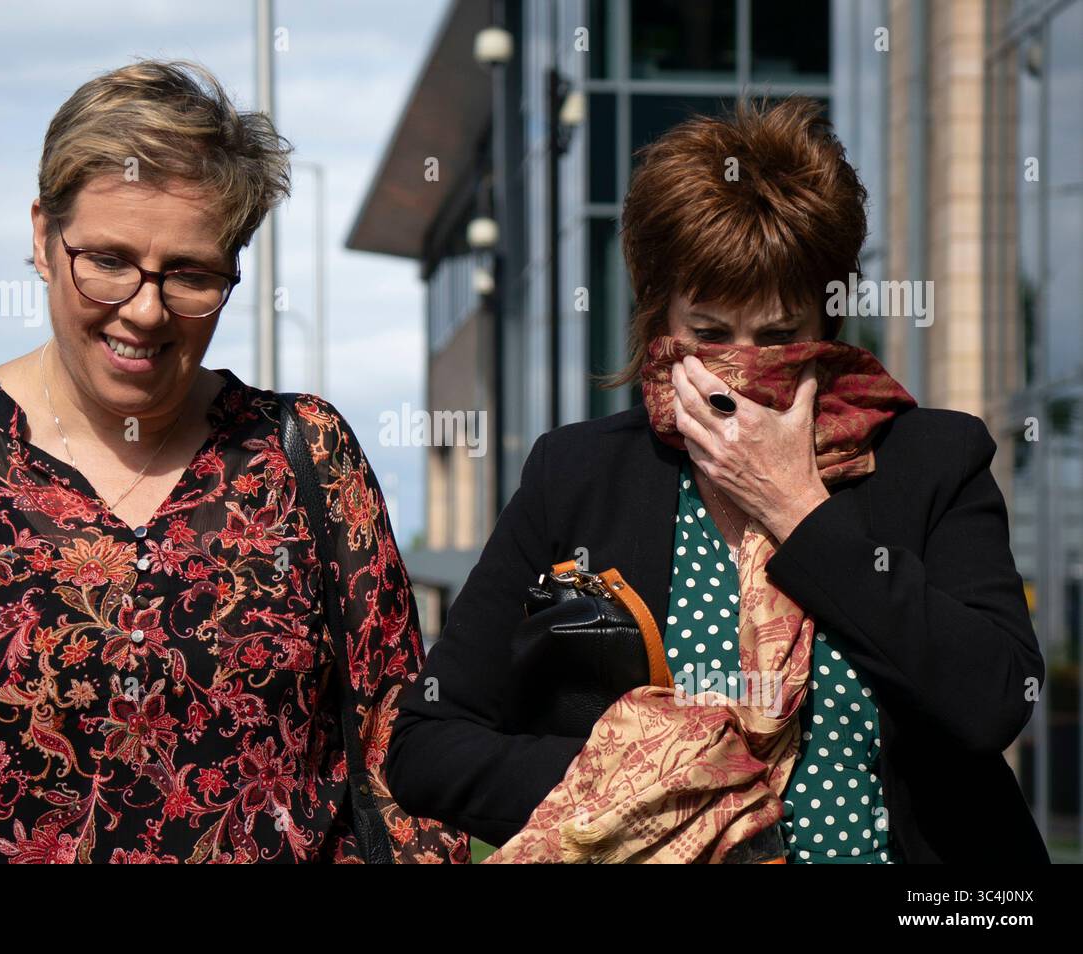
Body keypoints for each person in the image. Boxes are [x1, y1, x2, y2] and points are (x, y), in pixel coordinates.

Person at [0, 60, 467, 864]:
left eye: (189, 274)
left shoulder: (308, 455)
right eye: (108, 260)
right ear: (43, 236)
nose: (145, 310)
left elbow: (402, 769)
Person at [386, 97, 1048, 864]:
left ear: (826, 327)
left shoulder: (928, 460)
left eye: (777, 337)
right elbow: (428, 742)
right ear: (657, 318)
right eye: (708, 335)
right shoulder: (576, 476)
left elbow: (996, 700)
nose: (740, 367)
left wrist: (799, 510)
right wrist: (640, 787)